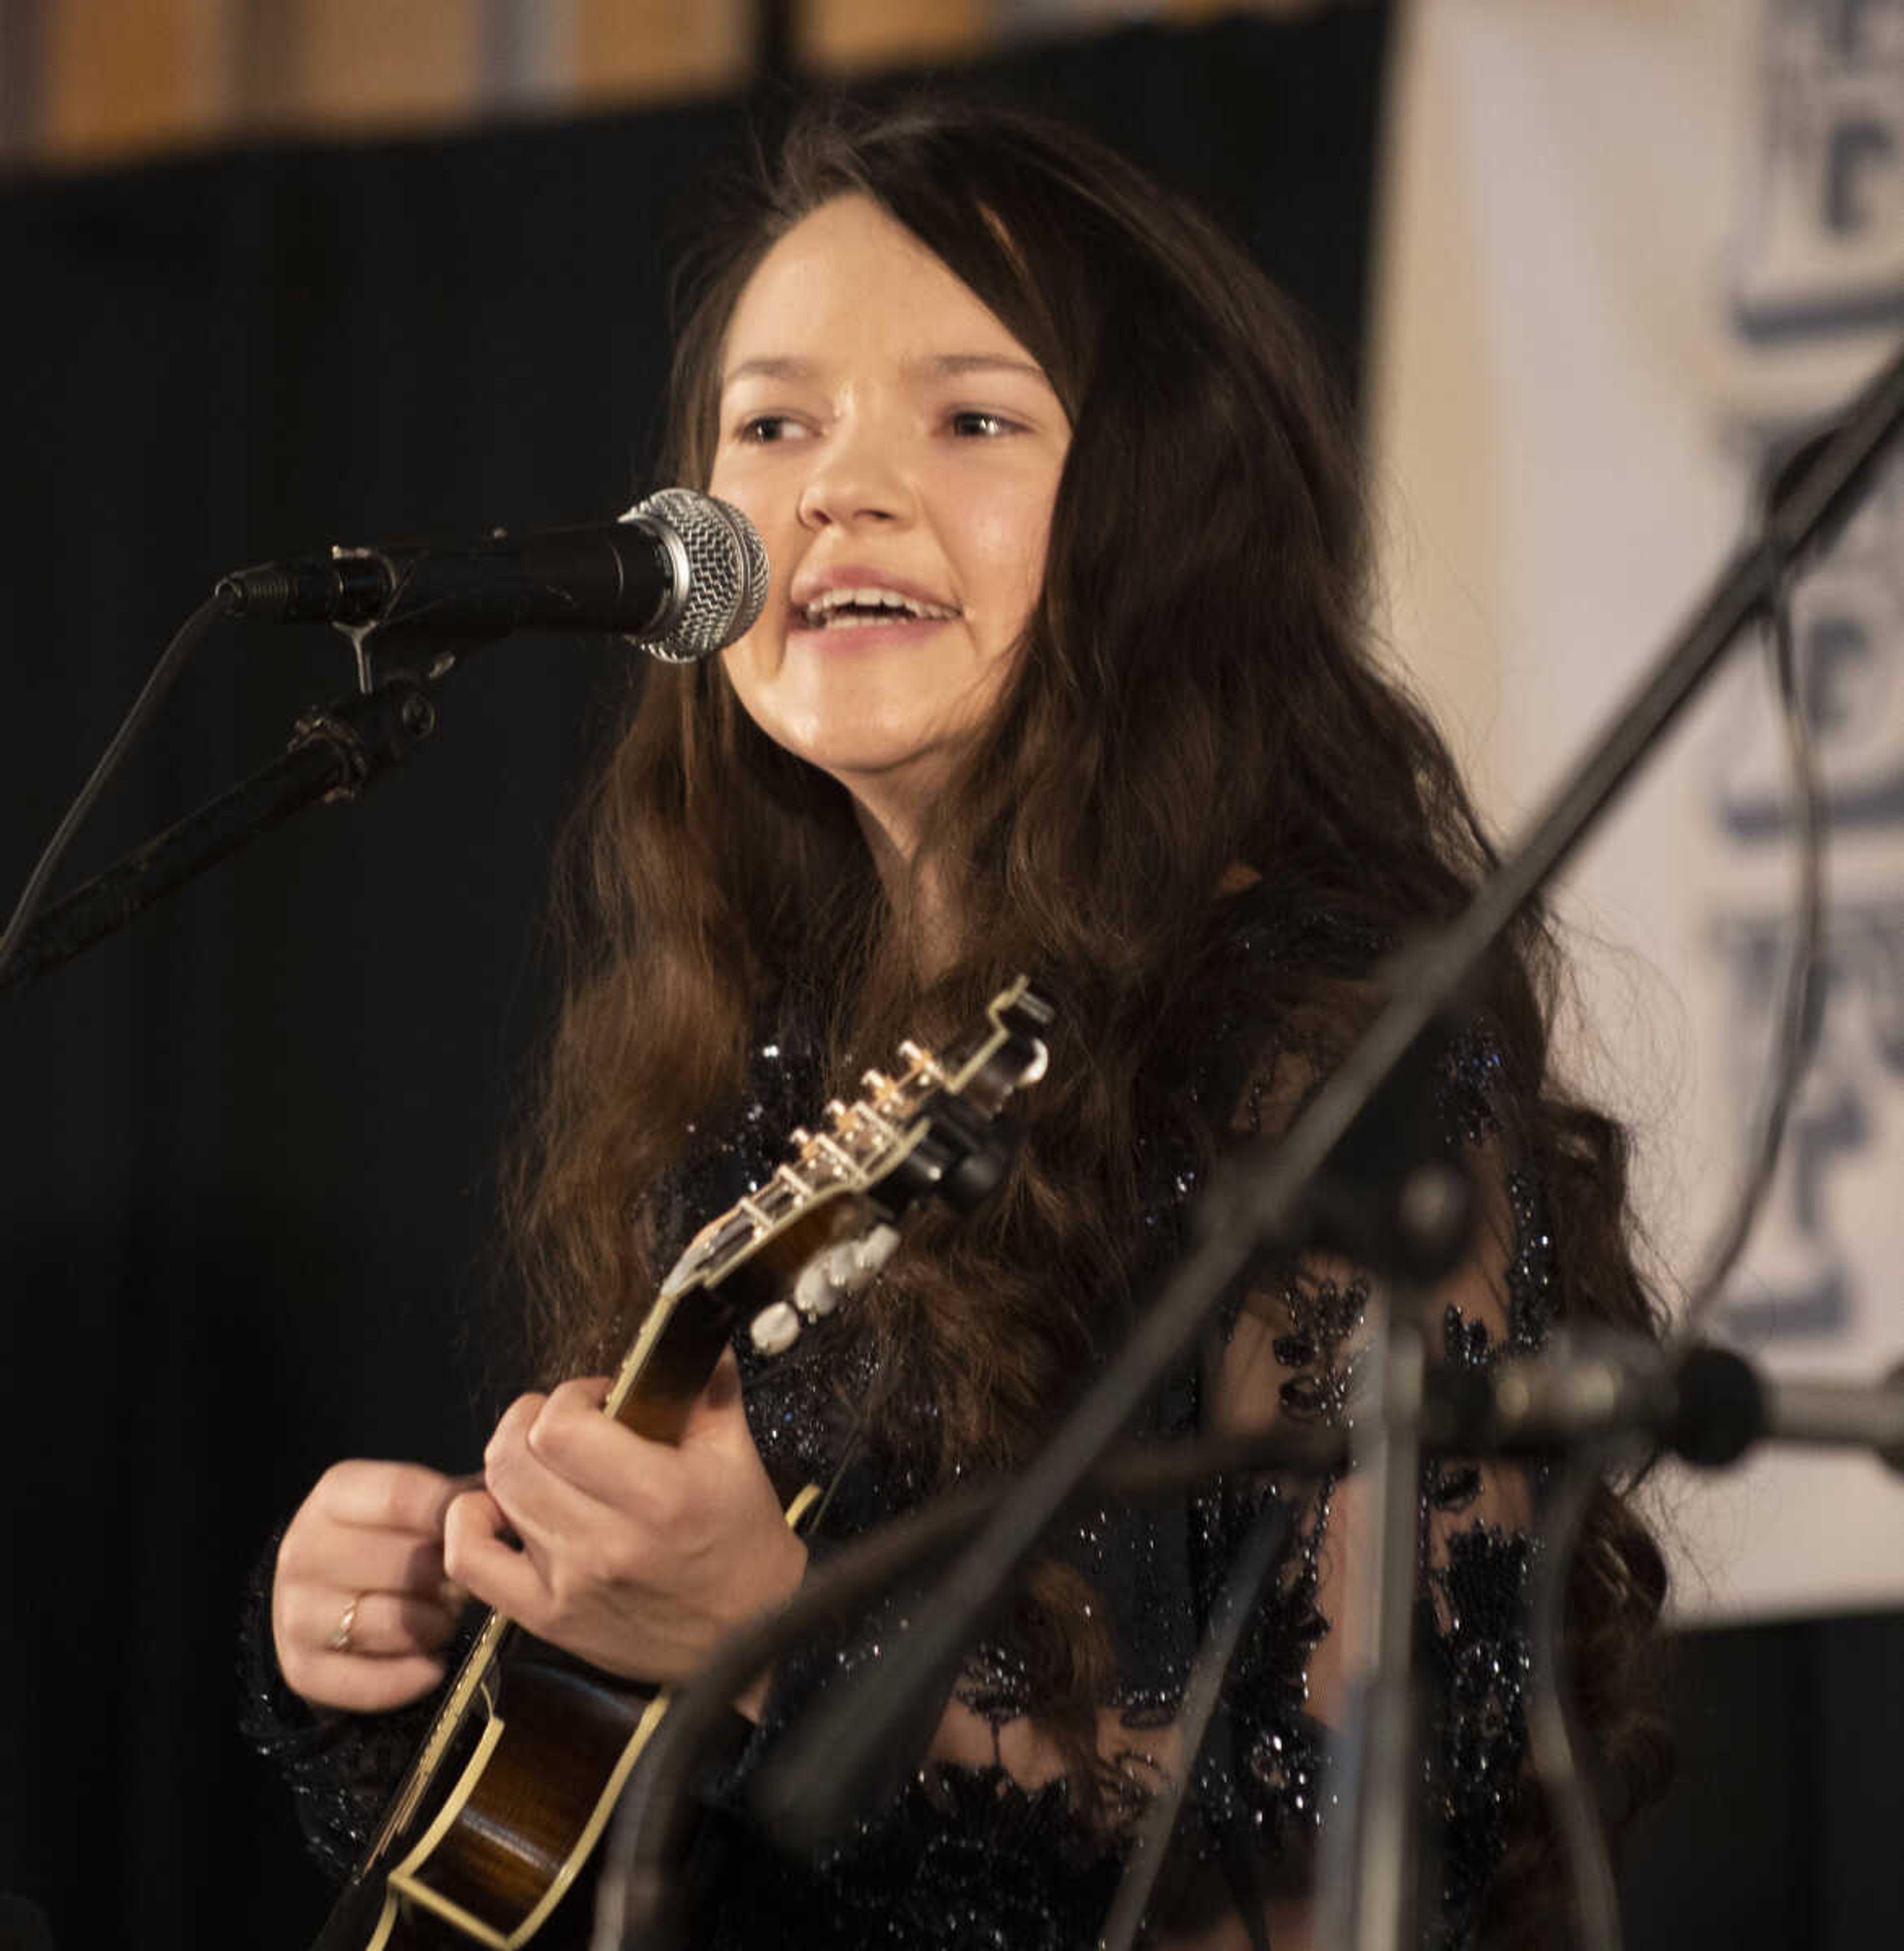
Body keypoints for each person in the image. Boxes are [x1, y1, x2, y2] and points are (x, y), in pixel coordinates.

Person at [246, 100, 1668, 1948]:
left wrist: (784, 1644)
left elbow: (1348, 1854)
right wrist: (453, 1647)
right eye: (772, 425)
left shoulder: (1328, 1073)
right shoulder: (770, 1091)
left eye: (973, 417)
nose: (836, 488)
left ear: (1169, 510)